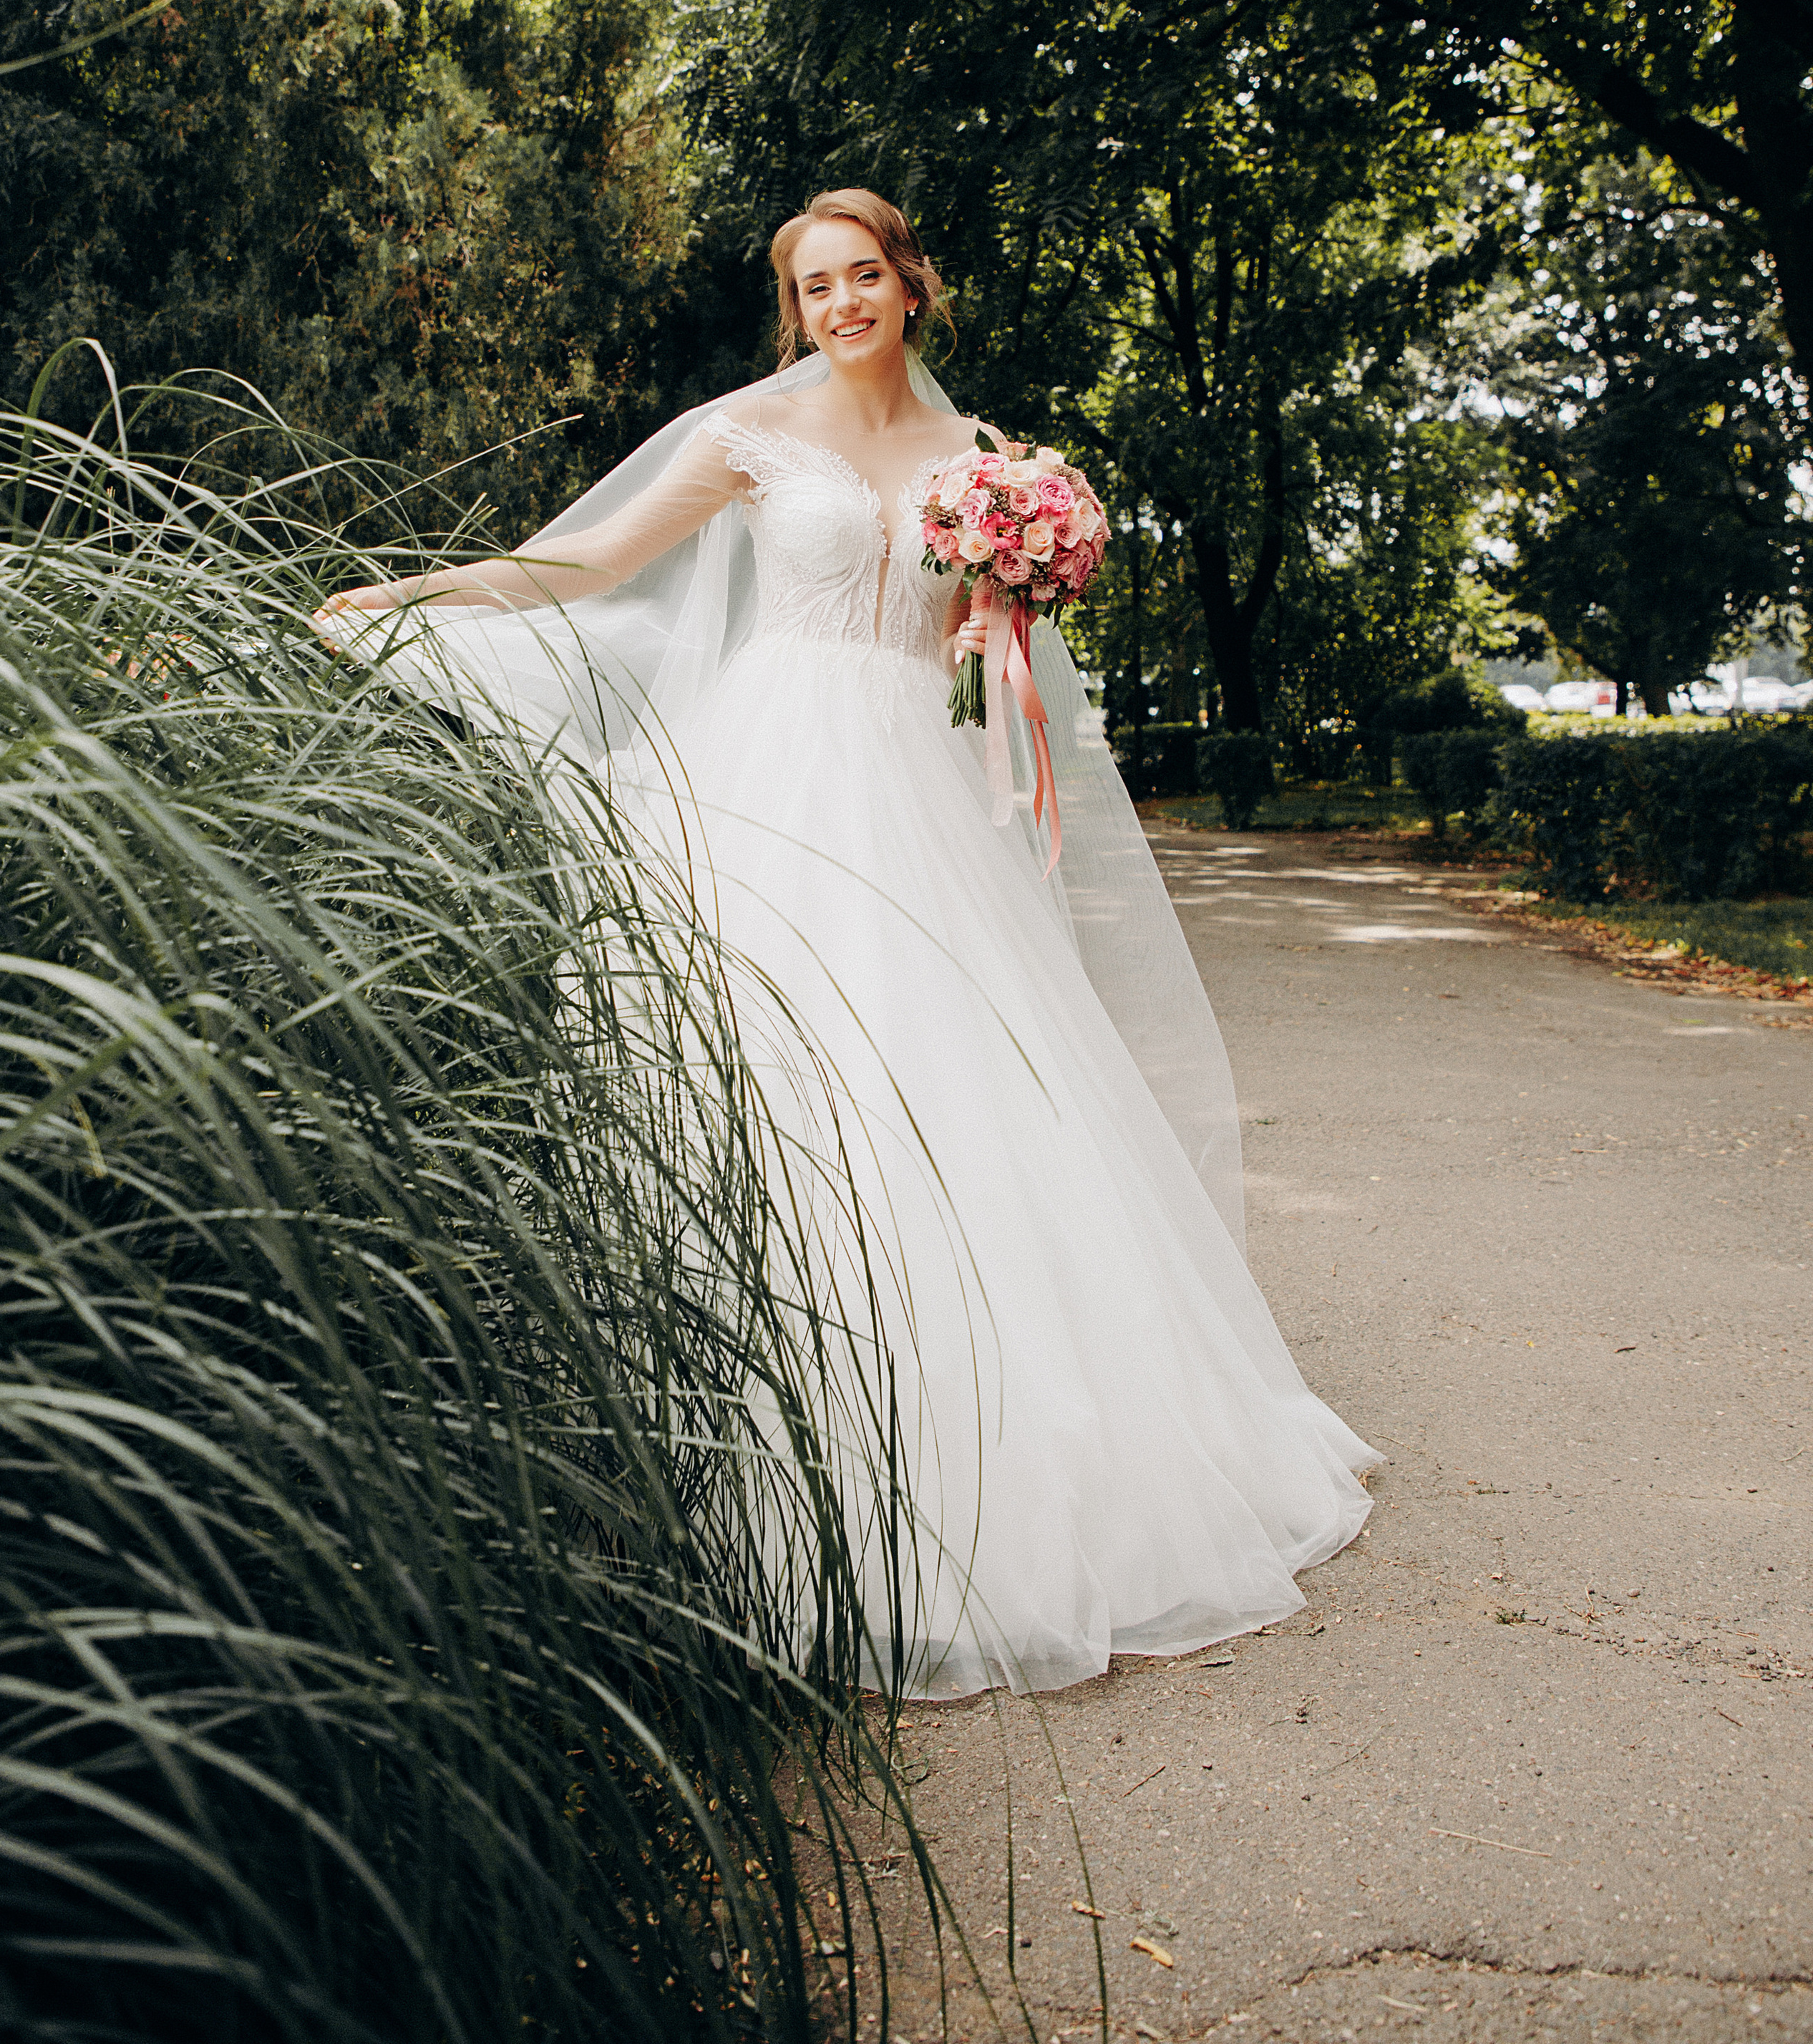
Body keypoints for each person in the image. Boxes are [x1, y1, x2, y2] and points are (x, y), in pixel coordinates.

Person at [317, 188, 1377, 1693]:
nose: (839, 304)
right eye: (813, 286)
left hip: (921, 792)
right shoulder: (745, 439)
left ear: (908, 283)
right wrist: (413, 597)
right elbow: (587, 569)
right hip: (770, 779)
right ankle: (742, 1461)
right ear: (793, 307)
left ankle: (994, 1467)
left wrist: (1000, 621)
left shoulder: (991, 469)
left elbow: (999, 663)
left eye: (860, 275)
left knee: (962, 1093)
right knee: (774, 1084)